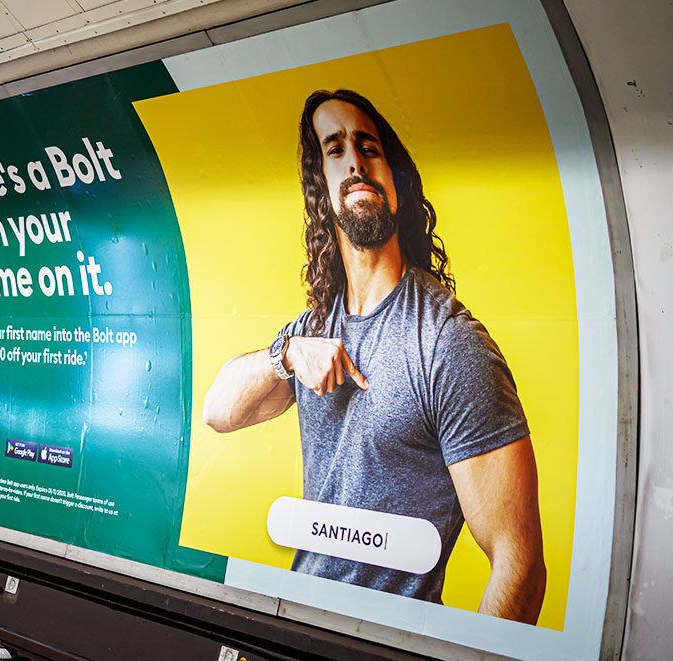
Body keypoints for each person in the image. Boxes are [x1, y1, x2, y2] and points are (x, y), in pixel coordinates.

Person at [202, 89, 545, 623]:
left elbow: (518, 564)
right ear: (323, 191)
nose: (356, 162)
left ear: (397, 182)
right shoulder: (314, 327)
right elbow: (218, 412)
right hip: (295, 625)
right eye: (335, 149)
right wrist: (286, 355)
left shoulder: (447, 344)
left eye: (369, 147)